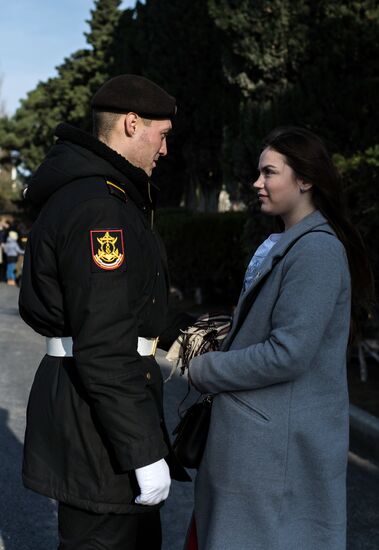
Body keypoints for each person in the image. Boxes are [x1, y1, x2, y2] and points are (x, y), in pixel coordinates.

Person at [18, 74, 189, 550]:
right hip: (98, 427)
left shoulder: (104, 196)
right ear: (133, 124)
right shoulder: (100, 208)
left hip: (94, 413)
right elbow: (103, 340)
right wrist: (142, 452)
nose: (165, 150)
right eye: (163, 135)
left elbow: (125, 306)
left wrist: (178, 331)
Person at [186, 126, 375, 550]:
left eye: (269, 172)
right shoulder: (289, 243)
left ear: (305, 179)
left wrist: (204, 369)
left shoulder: (317, 250)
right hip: (262, 456)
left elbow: (288, 353)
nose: (257, 183)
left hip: (276, 459)